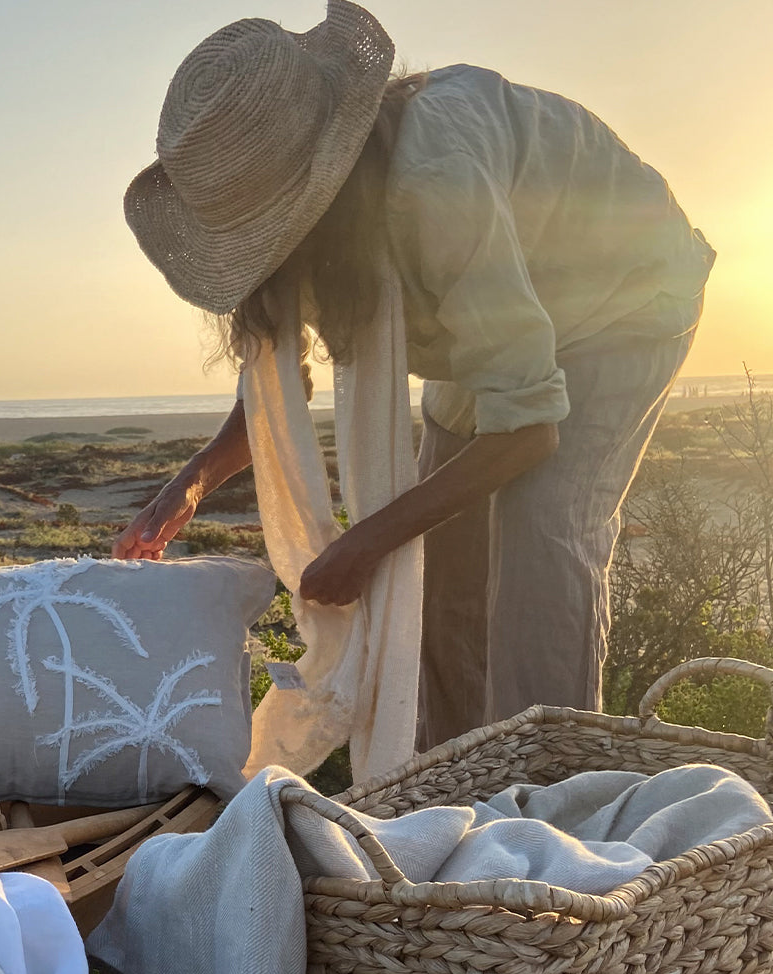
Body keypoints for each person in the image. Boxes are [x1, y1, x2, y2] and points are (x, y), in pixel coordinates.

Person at [113, 0, 715, 749]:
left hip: (622, 296)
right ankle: (454, 771)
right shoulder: (333, 225)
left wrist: (365, 542)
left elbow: (527, 430)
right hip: (497, 312)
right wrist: (191, 482)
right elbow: (276, 388)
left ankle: (558, 786)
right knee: (438, 567)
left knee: (541, 534)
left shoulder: (434, 189)